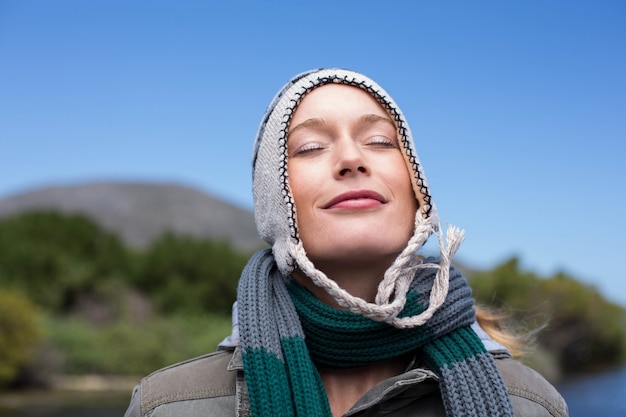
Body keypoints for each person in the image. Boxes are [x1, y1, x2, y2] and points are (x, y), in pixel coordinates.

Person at [124, 68, 568, 417]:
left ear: (417, 191)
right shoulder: (168, 407)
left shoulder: (530, 406)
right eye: (311, 147)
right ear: (275, 202)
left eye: (379, 141)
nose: (352, 159)